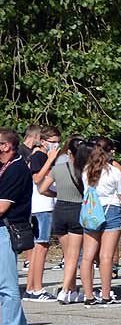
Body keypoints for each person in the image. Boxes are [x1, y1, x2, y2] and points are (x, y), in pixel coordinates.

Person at [79, 137, 121, 305]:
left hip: (91, 211)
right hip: (111, 210)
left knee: (87, 256)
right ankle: (106, 294)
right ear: (108, 152)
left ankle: (89, 296)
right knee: (106, 256)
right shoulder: (113, 171)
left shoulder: (87, 170)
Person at [0, 129, 33, 325]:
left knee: (7, 283)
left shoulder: (16, 170)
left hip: (6, 228)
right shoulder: (6, 167)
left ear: (6, 146)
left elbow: (2, 207)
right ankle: (20, 324)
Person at [47, 137, 86, 304]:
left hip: (60, 209)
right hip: (77, 209)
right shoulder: (84, 170)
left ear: (68, 152)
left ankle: (71, 289)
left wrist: (57, 194)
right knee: (74, 256)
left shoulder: (58, 168)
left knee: (67, 254)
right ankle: (65, 290)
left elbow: (43, 188)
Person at [23, 126, 56, 301]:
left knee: (40, 248)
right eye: (53, 142)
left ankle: (31, 287)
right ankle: (36, 288)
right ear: (43, 142)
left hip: (45, 205)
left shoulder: (42, 156)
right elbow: (36, 179)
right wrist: (50, 160)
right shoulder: (39, 156)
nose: (56, 146)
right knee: (40, 248)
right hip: (41, 206)